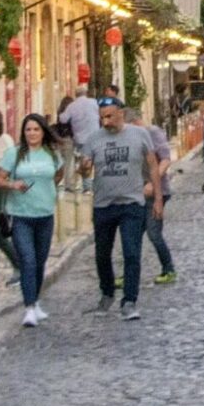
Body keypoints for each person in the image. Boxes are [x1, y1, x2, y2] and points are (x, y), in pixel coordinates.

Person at [78, 97, 161, 321]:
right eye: (102, 117)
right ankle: (107, 293)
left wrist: (158, 198)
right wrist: (84, 168)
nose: (105, 121)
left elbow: (152, 165)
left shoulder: (140, 135)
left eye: (110, 116)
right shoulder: (94, 139)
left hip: (132, 204)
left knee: (131, 252)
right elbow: (84, 171)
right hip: (103, 205)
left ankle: (130, 300)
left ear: (121, 114)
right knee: (102, 255)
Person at [0, 113, 59, 327]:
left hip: (45, 214)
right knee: (27, 260)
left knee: (39, 261)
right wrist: (13, 185)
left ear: (43, 131)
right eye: (28, 129)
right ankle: (28, 307)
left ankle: (36, 300)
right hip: (21, 215)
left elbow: (58, 175)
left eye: (36, 129)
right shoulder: (14, 154)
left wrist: (48, 191)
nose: (32, 133)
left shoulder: (52, 155)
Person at [140, 118, 180, 286]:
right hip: (138, 194)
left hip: (157, 192)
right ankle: (129, 271)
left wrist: (153, 183)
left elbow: (165, 159)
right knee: (132, 235)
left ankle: (168, 269)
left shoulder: (153, 133)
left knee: (154, 233)